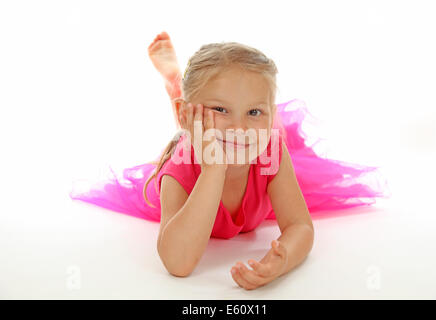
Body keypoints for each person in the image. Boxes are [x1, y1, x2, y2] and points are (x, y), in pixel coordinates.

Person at [70, 31, 389, 289]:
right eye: (220, 109)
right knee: (193, 131)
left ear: (270, 116)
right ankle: (175, 85)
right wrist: (214, 170)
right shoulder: (179, 168)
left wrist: (280, 261)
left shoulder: (271, 151)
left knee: (239, 137)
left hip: (255, 148)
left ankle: (198, 98)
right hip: (198, 150)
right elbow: (178, 264)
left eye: (254, 112)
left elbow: (300, 227)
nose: (239, 127)